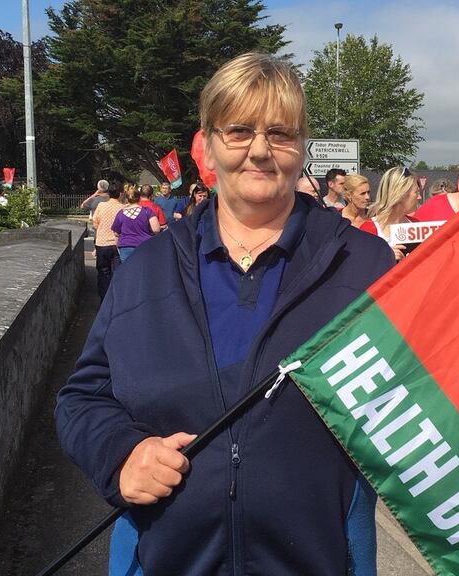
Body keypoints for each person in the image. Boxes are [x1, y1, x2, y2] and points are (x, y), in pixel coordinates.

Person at [55, 52, 394, 576]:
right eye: (239, 131)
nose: (259, 150)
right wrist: (121, 454)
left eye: (280, 133)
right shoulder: (146, 270)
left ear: (302, 146)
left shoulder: (366, 265)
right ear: (208, 146)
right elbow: (82, 397)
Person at [360, 166, 420, 261]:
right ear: (401, 194)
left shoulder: (416, 225)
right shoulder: (369, 229)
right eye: (416, 192)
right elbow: (362, 264)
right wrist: (386, 256)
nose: (419, 197)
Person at [91, 186, 124, 299]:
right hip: (117, 244)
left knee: (103, 272)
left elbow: (95, 223)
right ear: (120, 194)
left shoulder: (101, 206)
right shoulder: (123, 208)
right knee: (117, 272)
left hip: (102, 243)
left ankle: (104, 299)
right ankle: (116, 298)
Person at [112, 187, 161, 262]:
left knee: (128, 268)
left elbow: (116, 233)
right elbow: (156, 229)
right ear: (139, 198)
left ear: (127, 199)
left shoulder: (120, 213)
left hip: (126, 246)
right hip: (144, 245)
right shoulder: (147, 211)